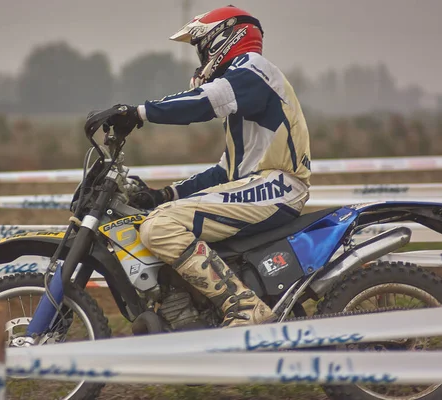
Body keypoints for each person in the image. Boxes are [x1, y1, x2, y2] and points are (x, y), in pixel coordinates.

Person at [109, 5, 311, 328]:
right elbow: (224, 172)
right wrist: (164, 194)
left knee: (158, 228)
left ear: (223, 39)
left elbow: (205, 102)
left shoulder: (253, 68)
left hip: (277, 186)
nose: (201, 59)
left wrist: (138, 113)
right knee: (161, 215)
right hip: (260, 185)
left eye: (201, 48)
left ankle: (243, 305)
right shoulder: (245, 97)